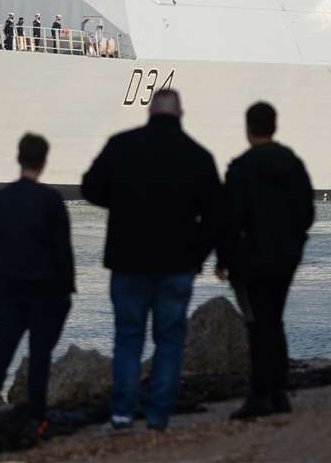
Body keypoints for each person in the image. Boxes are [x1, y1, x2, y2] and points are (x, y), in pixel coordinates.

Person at [81, 88, 224, 432]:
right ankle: (159, 416)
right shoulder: (198, 156)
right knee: (170, 340)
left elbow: (90, 188)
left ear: (148, 111)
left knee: (128, 338)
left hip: (128, 260)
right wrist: (197, 255)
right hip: (177, 265)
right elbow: (218, 216)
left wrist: (121, 202)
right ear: (181, 113)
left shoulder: (121, 145)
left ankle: (122, 414)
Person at [216, 102, 314, 420]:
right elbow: (306, 213)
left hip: (251, 261)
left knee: (258, 325)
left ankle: (260, 395)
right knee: (276, 321)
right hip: (285, 259)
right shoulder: (293, 163)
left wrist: (223, 259)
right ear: (275, 126)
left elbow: (230, 219)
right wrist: (293, 242)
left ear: (248, 128)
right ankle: (278, 391)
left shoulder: (241, 168)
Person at [0, 133, 75, 442]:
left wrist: (1, 281)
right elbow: (63, 253)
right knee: (39, 358)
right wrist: (65, 291)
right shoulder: (51, 200)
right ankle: (38, 418)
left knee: (0, 354)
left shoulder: (1, 199)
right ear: (44, 161)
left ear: (18, 158)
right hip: (45, 291)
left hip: (10, 290)